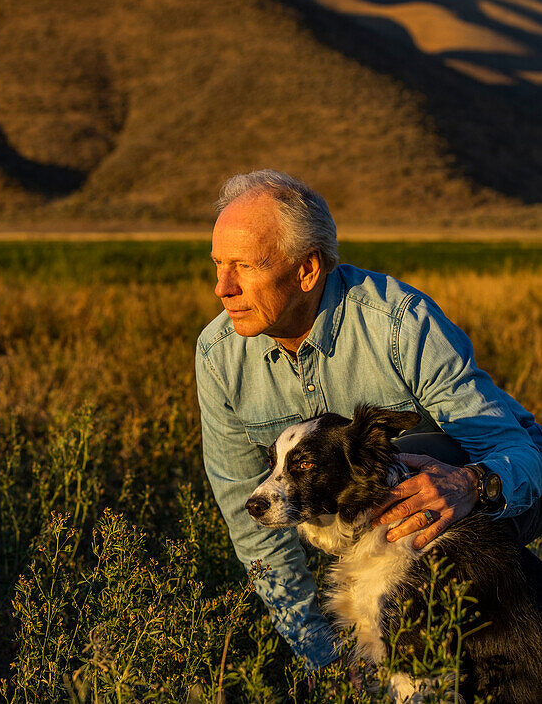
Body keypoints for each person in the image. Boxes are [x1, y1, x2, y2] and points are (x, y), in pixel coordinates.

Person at [195, 169, 542, 670]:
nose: (221, 288)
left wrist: (471, 483)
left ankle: (485, 658)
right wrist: (321, 657)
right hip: (367, 538)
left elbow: (516, 451)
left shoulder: (399, 323)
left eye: (244, 266)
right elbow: (247, 522)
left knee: (464, 647)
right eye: (218, 264)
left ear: (306, 270)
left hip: (487, 502)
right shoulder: (218, 357)